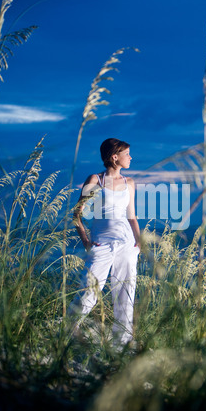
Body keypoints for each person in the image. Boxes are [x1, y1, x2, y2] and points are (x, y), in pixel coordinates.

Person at [67, 138, 141, 348]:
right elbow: (77, 215)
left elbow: (132, 216)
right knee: (89, 290)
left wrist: (139, 243)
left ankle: (122, 343)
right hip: (101, 244)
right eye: (127, 154)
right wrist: (87, 242)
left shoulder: (129, 183)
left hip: (127, 244)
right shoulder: (96, 180)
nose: (131, 157)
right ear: (114, 156)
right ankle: (68, 333)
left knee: (126, 292)